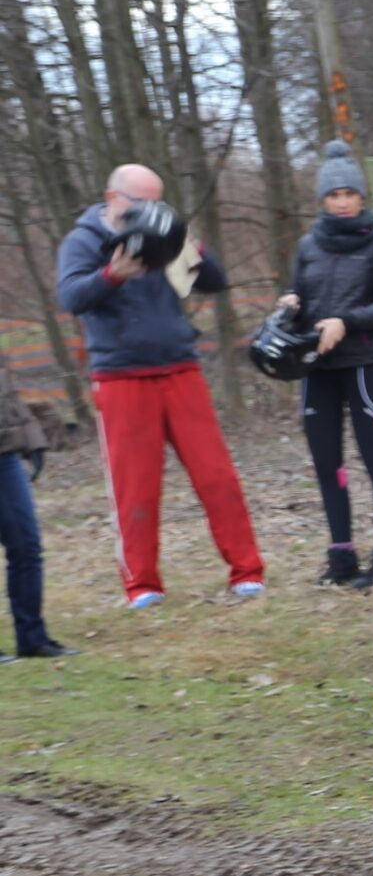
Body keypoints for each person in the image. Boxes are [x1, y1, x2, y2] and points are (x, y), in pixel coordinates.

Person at [57, 164, 266, 608]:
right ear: (113, 198)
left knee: (217, 476)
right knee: (136, 486)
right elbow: (71, 297)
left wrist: (185, 241)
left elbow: (213, 281)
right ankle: (143, 586)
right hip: (120, 377)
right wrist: (112, 275)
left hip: (180, 370)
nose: (150, 211)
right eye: (141, 203)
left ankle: (247, 572)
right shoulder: (83, 241)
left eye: (158, 201)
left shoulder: (164, 233)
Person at [280, 142, 373, 590]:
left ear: (361, 197)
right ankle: (341, 558)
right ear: (322, 200)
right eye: (333, 195)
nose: (341, 201)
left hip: (365, 365)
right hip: (317, 370)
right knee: (326, 463)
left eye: (348, 193)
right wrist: (291, 305)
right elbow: (300, 297)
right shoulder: (307, 247)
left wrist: (348, 321)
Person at [0, 377, 72, 659]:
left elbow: (6, 394)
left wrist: (32, 442)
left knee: (26, 546)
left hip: (5, 455)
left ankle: (32, 639)